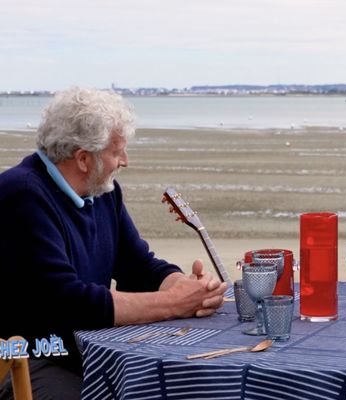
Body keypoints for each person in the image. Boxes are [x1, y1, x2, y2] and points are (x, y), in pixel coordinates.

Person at [0, 87, 227, 399]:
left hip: (81, 351)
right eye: (116, 152)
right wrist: (173, 303)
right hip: (27, 358)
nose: (125, 161)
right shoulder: (21, 194)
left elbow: (139, 266)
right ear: (83, 159)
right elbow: (69, 303)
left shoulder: (103, 192)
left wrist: (187, 288)